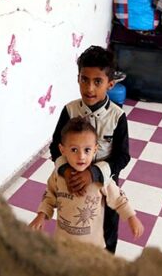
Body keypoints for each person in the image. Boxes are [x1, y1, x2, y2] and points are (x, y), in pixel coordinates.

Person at [48, 45, 132, 253]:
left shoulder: (117, 116)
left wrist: (93, 173)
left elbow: (123, 157)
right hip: (72, 183)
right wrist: (67, 171)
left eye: (98, 82)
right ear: (78, 78)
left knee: (107, 231)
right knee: (73, 225)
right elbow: (55, 148)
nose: (90, 88)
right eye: (84, 79)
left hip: (105, 186)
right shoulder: (69, 110)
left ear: (110, 84)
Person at [30, 117, 143, 248]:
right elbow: (49, 197)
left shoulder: (100, 180)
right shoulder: (58, 176)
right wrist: (41, 215)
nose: (81, 156)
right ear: (62, 150)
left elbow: (119, 199)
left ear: (95, 149)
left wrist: (131, 218)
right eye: (74, 150)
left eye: (87, 150)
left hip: (92, 247)